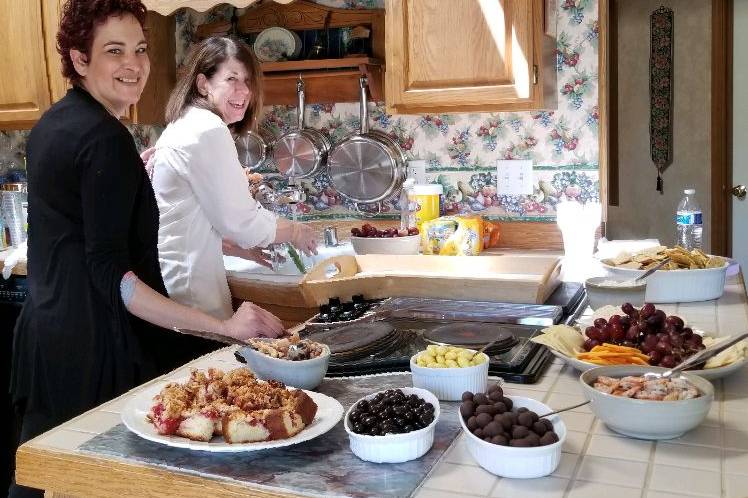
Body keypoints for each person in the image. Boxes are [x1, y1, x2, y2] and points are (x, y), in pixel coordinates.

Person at [9, 3, 284, 497]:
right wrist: (224, 327)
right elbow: (113, 275)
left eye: (139, 49)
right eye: (114, 51)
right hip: (97, 346)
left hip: (47, 335)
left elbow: (83, 229)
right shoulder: (104, 139)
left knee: (41, 476)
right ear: (79, 58)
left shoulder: (53, 123)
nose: (133, 64)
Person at [150, 36, 317, 320]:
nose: (243, 90)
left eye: (248, 80)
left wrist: (236, 247)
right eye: (231, 78)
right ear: (203, 84)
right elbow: (240, 221)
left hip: (176, 283)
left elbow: (192, 216)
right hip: (193, 293)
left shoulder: (186, 124)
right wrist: (295, 231)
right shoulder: (206, 129)